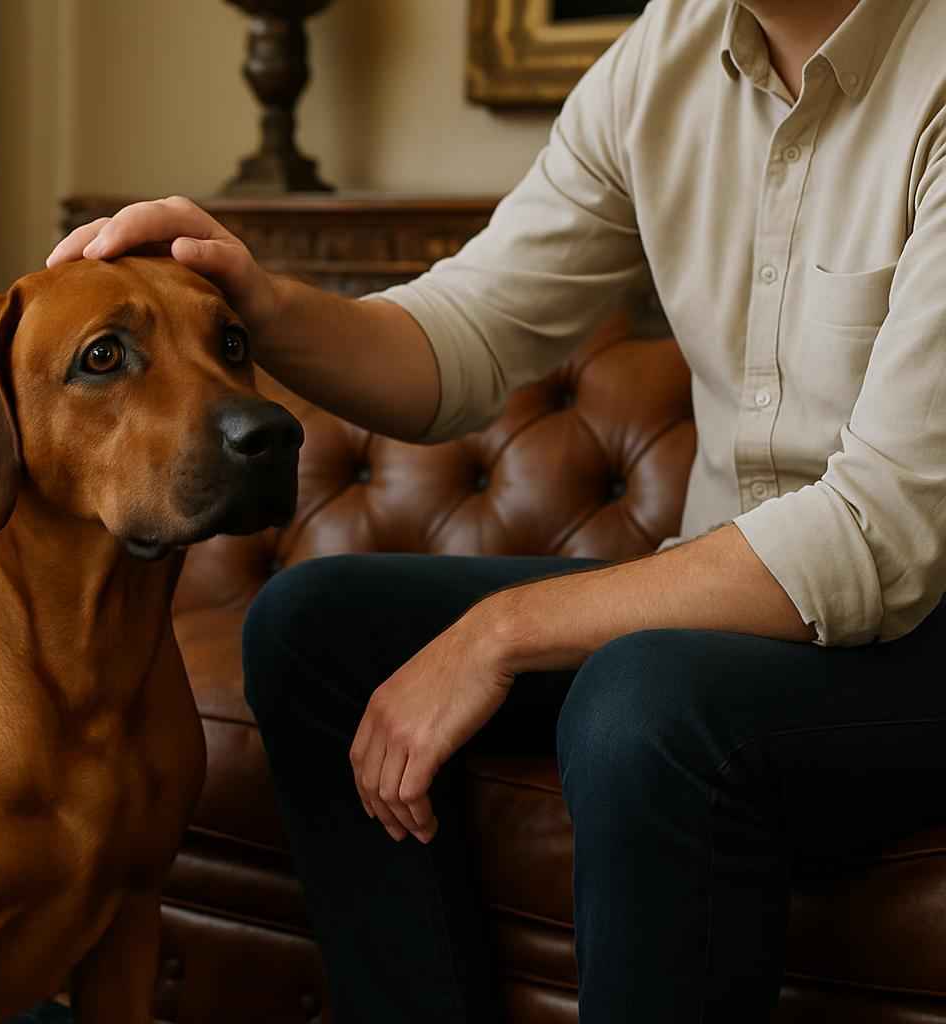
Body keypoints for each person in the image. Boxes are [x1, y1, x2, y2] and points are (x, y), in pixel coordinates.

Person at [47, 0, 946, 1021]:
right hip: (739, 606)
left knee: (641, 702)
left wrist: (501, 633)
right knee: (311, 630)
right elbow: (467, 335)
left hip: (925, 626)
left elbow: (878, 532)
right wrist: (262, 300)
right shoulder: (667, 55)